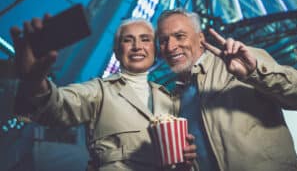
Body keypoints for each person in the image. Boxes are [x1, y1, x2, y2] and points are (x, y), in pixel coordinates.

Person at [10, 17, 197, 171]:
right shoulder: (99, 91)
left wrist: (185, 161)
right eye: (127, 40)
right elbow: (57, 106)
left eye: (145, 39)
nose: (137, 46)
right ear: (116, 52)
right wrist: (35, 81)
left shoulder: (170, 99)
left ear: (155, 51)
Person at [155, 8, 297, 171]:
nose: (170, 47)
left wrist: (255, 72)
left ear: (200, 39)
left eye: (179, 36)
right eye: (163, 40)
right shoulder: (176, 100)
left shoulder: (240, 63)